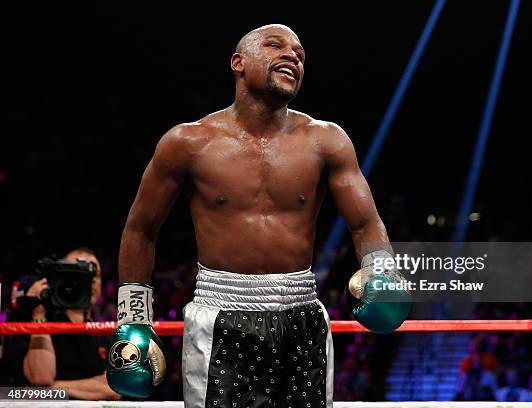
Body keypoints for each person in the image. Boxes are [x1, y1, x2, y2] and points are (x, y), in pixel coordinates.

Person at [106, 24, 410, 407]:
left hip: (303, 317)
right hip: (221, 315)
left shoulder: (326, 140)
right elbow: (141, 228)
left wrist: (382, 272)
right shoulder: (188, 142)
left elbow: (365, 222)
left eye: (299, 53)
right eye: (275, 45)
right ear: (238, 62)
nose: (292, 56)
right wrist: (133, 320)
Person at [14, 248, 120, 400]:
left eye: (95, 275)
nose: (91, 281)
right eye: (78, 273)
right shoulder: (38, 323)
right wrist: (38, 313)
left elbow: (113, 389)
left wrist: (53, 388)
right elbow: (41, 379)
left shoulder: (104, 334)